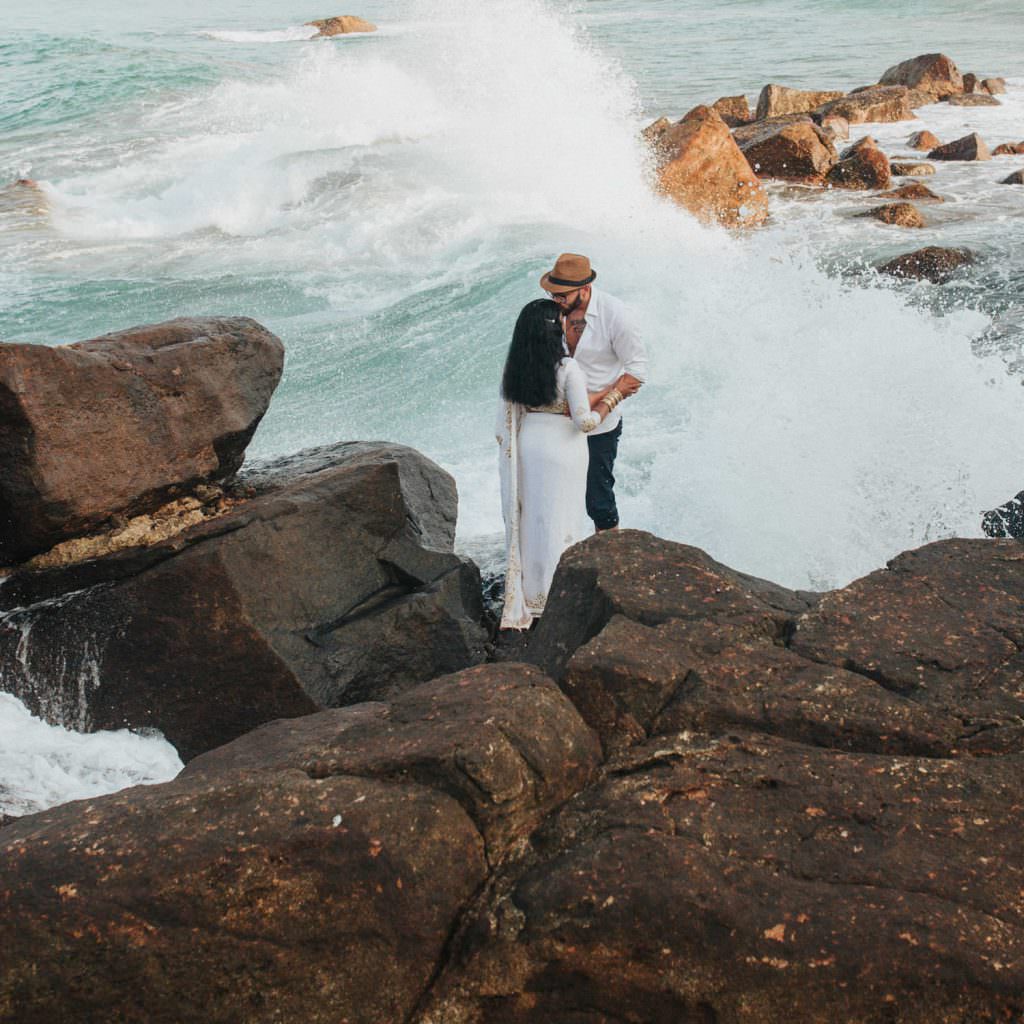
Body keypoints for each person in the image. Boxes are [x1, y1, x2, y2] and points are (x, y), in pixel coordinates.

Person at [496, 299, 624, 630]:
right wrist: (611, 398)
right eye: (566, 323)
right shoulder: (568, 368)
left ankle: (531, 595)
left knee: (534, 519)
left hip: (530, 444)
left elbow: (508, 419)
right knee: (561, 517)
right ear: (556, 330)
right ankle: (557, 593)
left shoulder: (516, 367)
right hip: (563, 450)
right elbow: (584, 422)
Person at [539, 253, 647, 532]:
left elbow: (636, 373)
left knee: (598, 501)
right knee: (552, 495)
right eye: (552, 293)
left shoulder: (617, 316)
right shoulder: (551, 312)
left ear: (584, 289)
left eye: (562, 295)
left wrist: (595, 402)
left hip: (600, 425)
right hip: (554, 420)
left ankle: (610, 565)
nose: (556, 300)